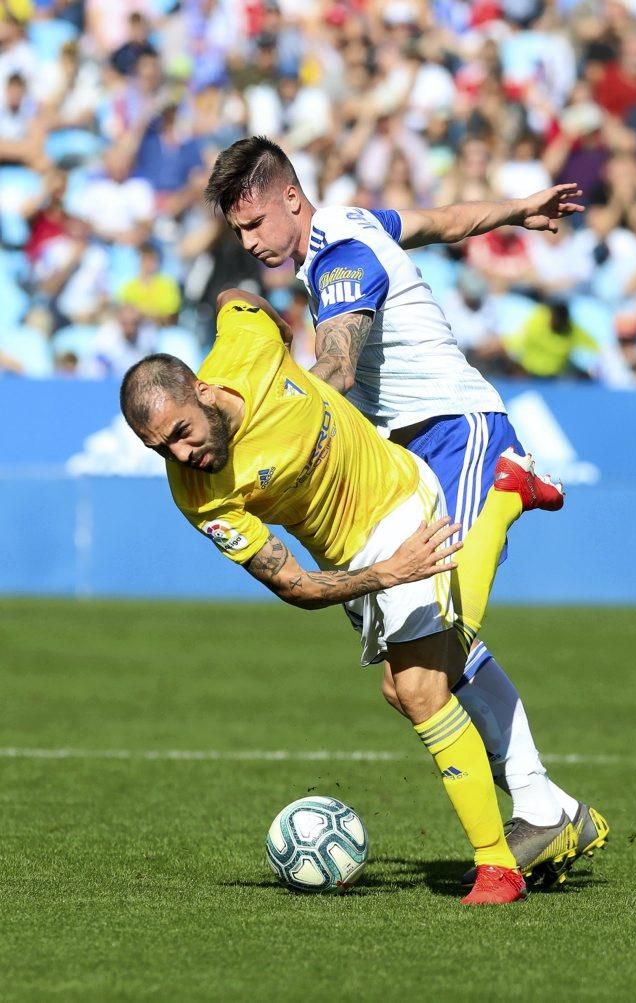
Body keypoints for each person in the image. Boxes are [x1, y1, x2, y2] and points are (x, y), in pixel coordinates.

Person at [204, 137, 609, 887]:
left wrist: (274, 412)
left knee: (429, 668)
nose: (250, 241)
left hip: (456, 437)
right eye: (238, 232)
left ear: (291, 197)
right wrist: (519, 209)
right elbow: (444, 218)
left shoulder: (339, 264)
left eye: (255, 222)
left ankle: (511, 488)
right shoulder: (355, 223)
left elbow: (338, 365)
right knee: (411, 679)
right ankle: (549, 807)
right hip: (411, 461)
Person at [120, 288, 563, 905]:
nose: (181, 454)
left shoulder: (245, 342)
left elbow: (236, 298)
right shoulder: (198, 493)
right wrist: (384, 574)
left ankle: (498, 867)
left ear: (200, 387)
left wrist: (309, 362)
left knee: (422, 688)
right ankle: (544, 805)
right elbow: (294, 585)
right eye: (161, 449)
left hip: (400, 499)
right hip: (356, 561)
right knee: (402, 689)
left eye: (180, 433)